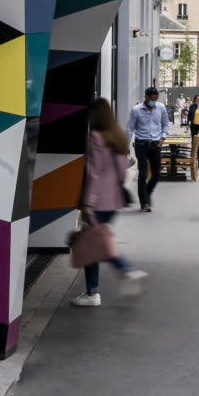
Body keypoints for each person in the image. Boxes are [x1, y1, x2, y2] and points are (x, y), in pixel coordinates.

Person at [72, 98, 148, 307]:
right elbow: (122, 172)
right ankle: (98, 288)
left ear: (95, 116)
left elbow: (94, 173)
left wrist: (88, 202)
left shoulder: (95, 138)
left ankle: (100, 288)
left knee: (92, 245)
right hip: (113, 200)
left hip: (97, 201)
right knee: (98, 241)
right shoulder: (119, 136)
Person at [126, 86, 169, 211]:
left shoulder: (161, 108)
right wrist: (126, 146)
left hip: (156, 145)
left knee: (156, 174)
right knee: (143, 174)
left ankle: (146, 193)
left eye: (156, 100)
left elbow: (165, 123)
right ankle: (144, 203)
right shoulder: (136, 110)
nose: (154, 102)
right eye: (152, 100)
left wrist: (163, 137)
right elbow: (130, 128)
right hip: (141, 145)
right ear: (146, 97)